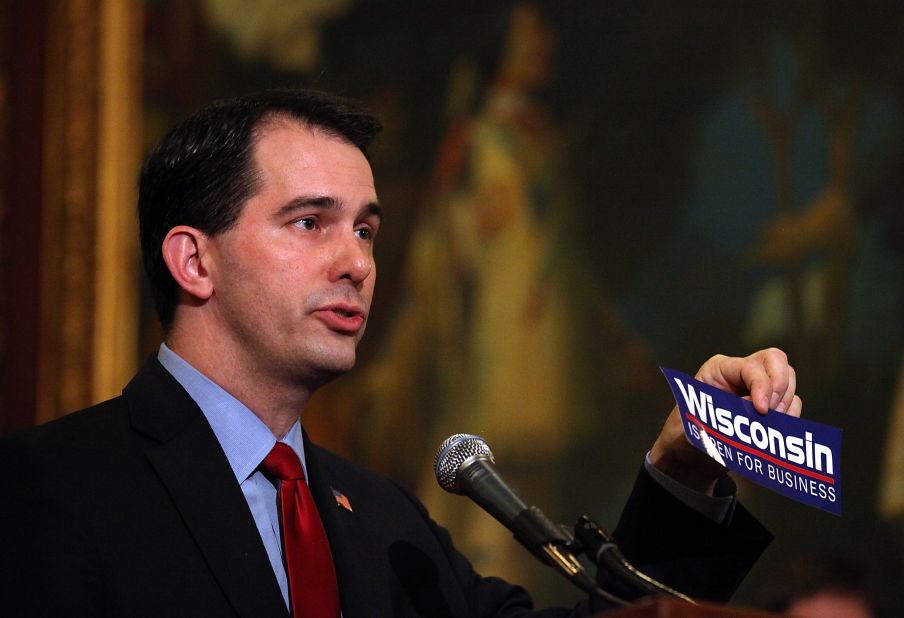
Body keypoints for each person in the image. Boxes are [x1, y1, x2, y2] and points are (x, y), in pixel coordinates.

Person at [0, 89, 802, 617]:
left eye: (366, 229)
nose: (356, 261)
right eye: (310, 222)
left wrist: (684, 476)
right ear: (194, 261)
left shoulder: (386, 525)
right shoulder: (49, 490)